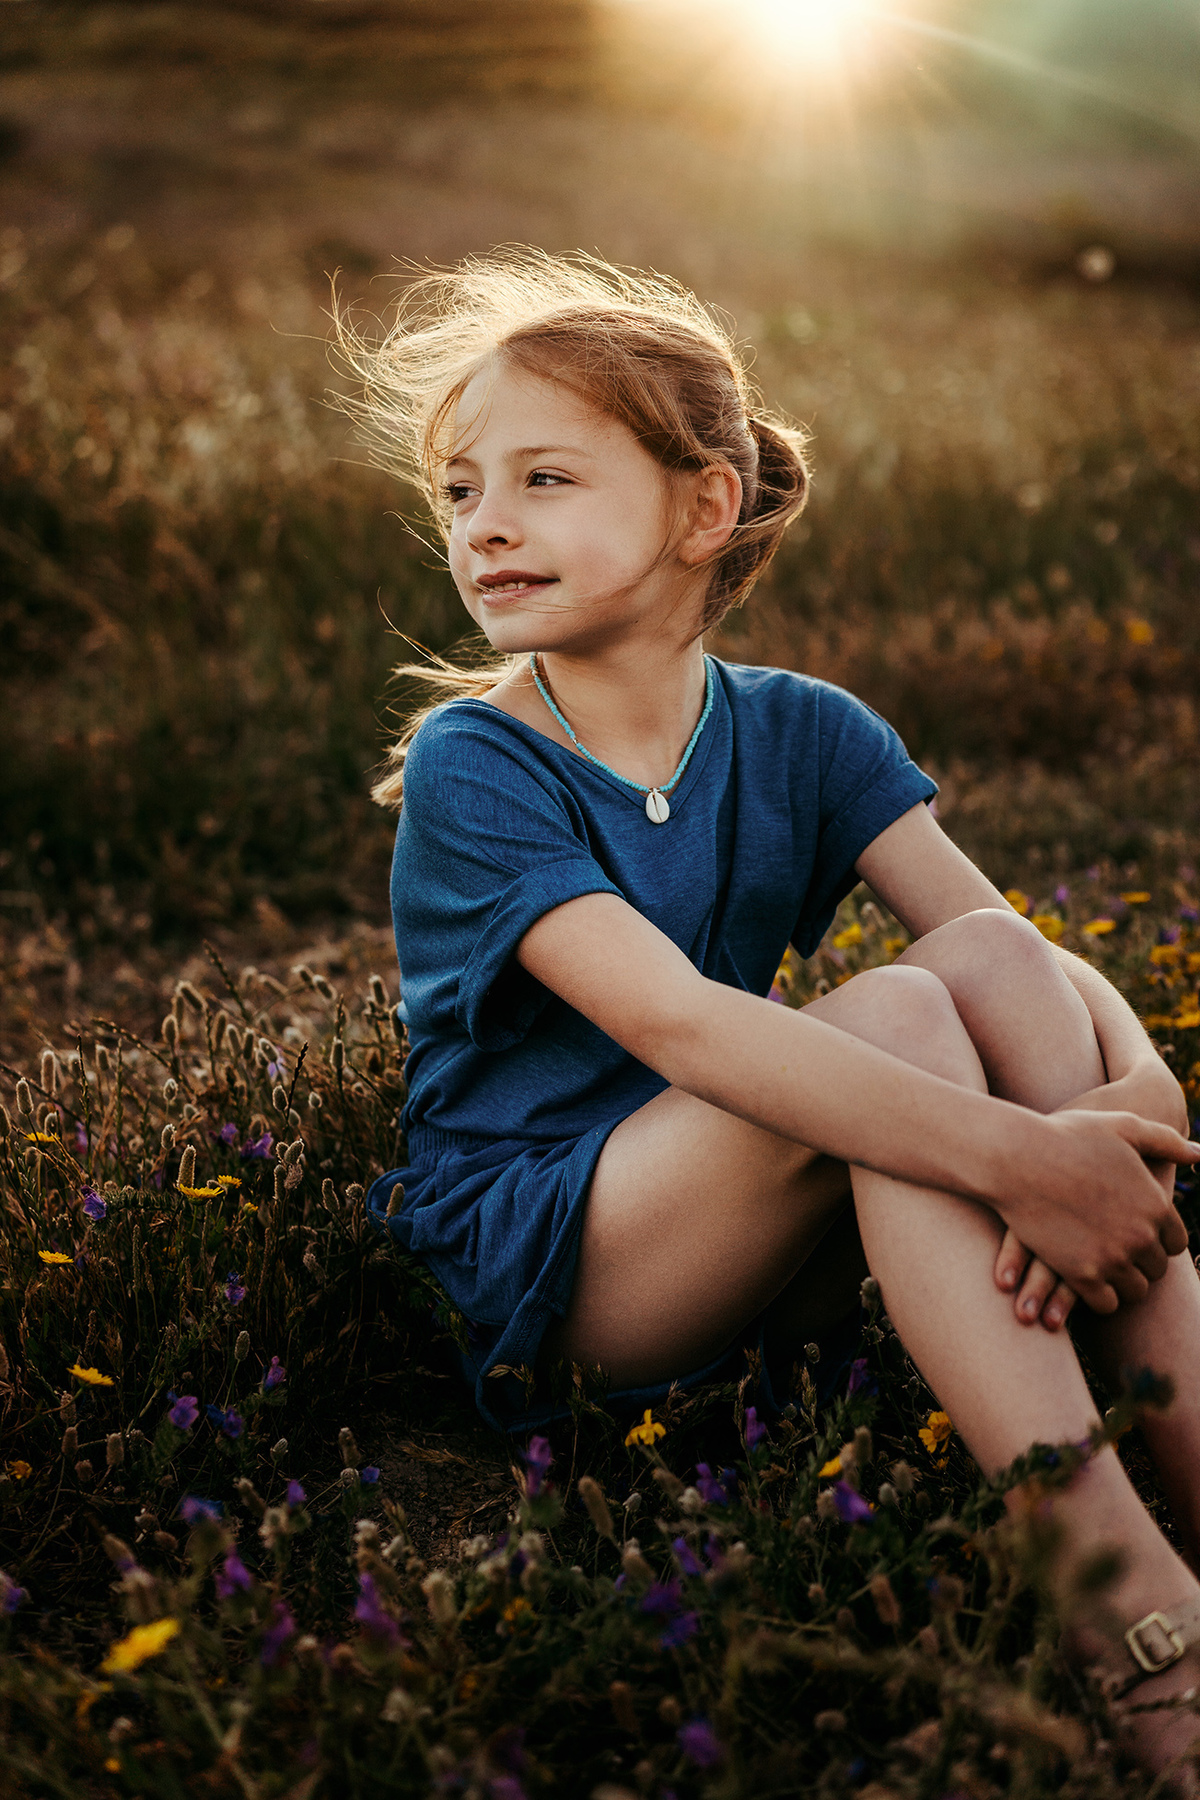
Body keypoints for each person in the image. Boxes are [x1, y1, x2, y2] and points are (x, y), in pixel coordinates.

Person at [348, 250, 1200, 1767]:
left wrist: (1131, 1099)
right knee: (889, 1024)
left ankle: (1183, 1436)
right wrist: (1022, 1160)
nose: (485, 523)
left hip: (757, 1218)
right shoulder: (478, 767)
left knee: (981, 974)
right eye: (462, 489)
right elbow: (681, 1028)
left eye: (544, 478)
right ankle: (1137, 1620)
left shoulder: (805, 729)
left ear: (703, 507)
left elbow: (1013, 952)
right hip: (563, 1260)